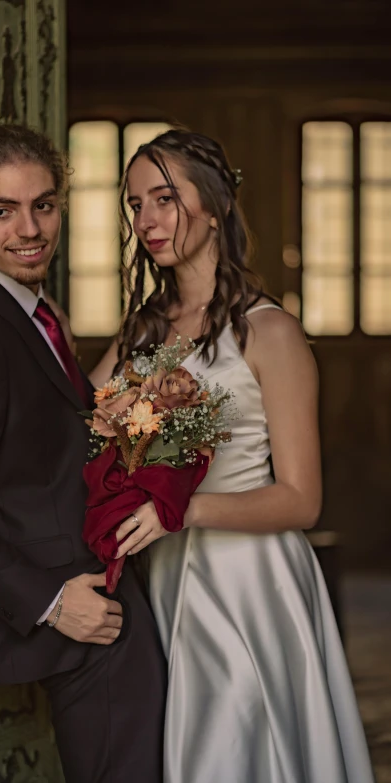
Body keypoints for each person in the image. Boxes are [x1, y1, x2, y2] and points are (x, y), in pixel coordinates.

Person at [91, 129, 374, 783]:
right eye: (135, 204)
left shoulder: (270, 331)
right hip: (161, 573)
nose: (147, 220)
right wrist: (124, 423)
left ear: (214, 204)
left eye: (164, 198)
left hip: (248, 583)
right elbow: (91, 426)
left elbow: (302, 499)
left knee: (237, 744)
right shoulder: (143, 329)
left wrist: (177, 510)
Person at [0, 124, 166, 783]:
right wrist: (54, 600)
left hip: (103, 586)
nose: (30, 229)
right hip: (75, 614)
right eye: (2, 211)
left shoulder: (30, 306)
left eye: (43, 205)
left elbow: (36, 446)